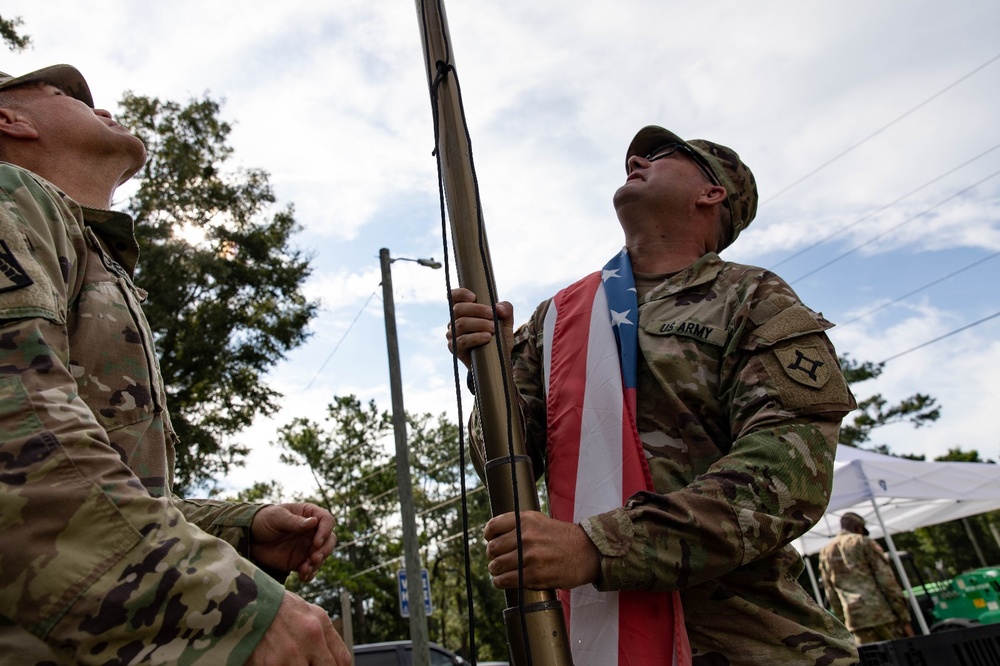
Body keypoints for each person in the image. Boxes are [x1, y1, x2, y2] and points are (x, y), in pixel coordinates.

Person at [447, 125, 860, 664]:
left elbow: (787, 478)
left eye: (663, 155)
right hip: (591, 638)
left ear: (712, 193)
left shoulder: (751, 296)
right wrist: (492, 375)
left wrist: (599, 546)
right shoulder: (561, 317)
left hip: (746, 644)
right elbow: (503, 465)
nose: (636, 159)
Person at [0, 65, 351, 665]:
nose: (101, 107)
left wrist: (243, 527)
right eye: (65, 96)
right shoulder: (13, 195)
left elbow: (99, 486)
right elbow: (21, 439)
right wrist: (227, 602)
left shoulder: (82, 248)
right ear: (10, 120)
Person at [819, 512, 914, 645]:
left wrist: (843, 621)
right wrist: (903, 615)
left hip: (855, 621)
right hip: (883, 615)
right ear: (858, 528)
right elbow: (887, 582)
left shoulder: (825, 552)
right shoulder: (863, 542)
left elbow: (830, 592)